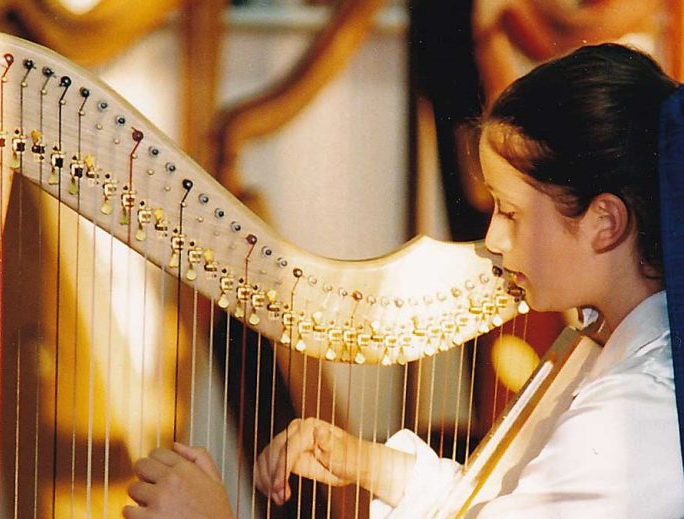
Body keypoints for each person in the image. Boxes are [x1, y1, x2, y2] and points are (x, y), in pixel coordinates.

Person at [122, 43, 684, 518]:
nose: (492, 239)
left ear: (604, 223)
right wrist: (368, 463)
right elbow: (502, 505)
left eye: (511, 213)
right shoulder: (609, 345)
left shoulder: (635, 415)